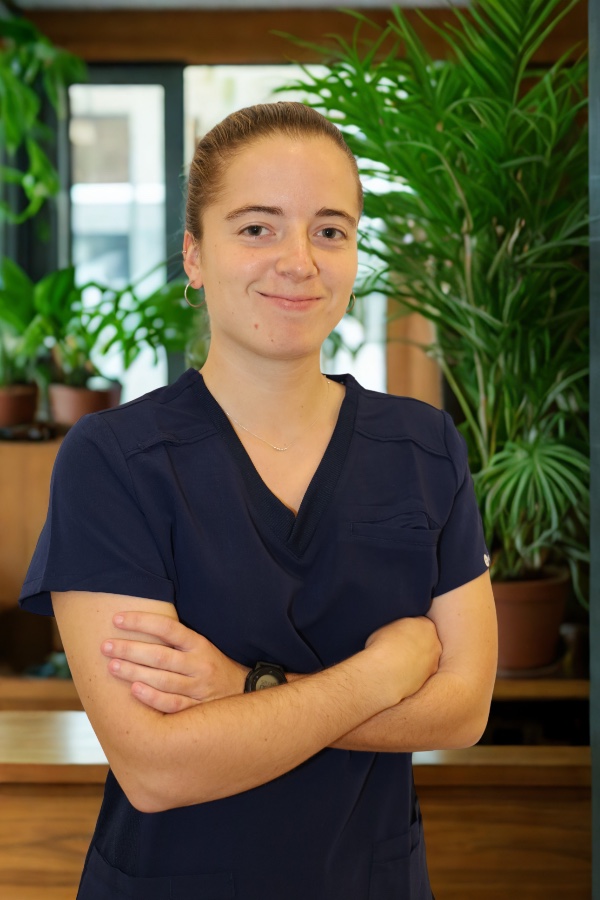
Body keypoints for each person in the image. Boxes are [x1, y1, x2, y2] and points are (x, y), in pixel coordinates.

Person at [19, 101, 497, 900]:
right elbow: (157, 767)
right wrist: (382, 673)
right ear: (194, 255)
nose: (299, 261)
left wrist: (245, 688)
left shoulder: (424, 446)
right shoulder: (113, 461)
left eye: (330, 230)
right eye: (256, 227)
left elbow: (462, 711)